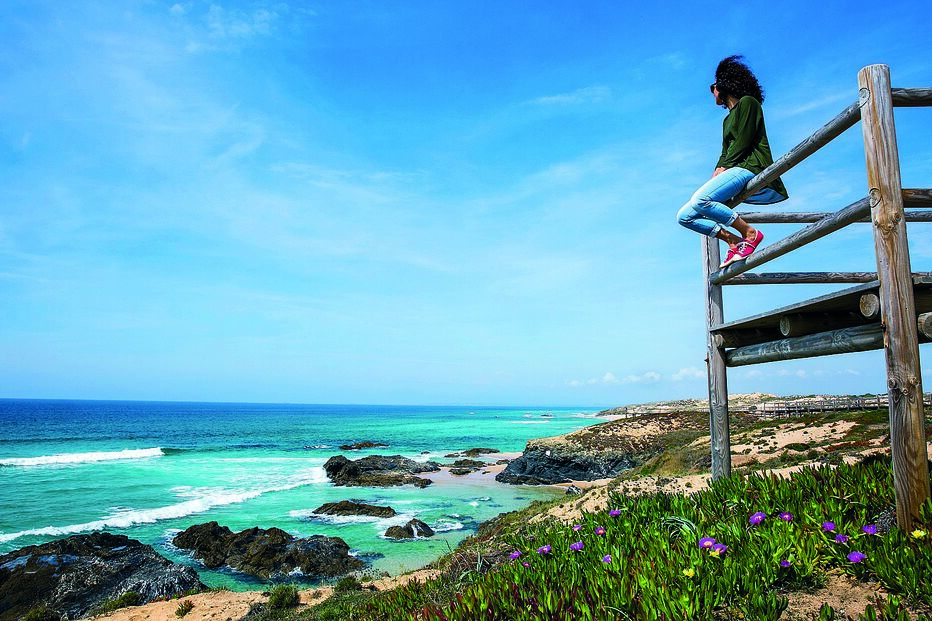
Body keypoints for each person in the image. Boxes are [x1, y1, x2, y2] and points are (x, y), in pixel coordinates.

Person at [676, 55, 788, 268]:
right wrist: (719, 168)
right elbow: (725, 151)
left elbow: (743, 142)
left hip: (750, 166)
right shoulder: (727, 119)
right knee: (684, 216)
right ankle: (734, 241)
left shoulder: (749, 103)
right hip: (735, 167)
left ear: (723, 85)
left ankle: (750, 233)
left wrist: (726, 166)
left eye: (713, 87)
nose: (712, 92)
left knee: (701, 200)